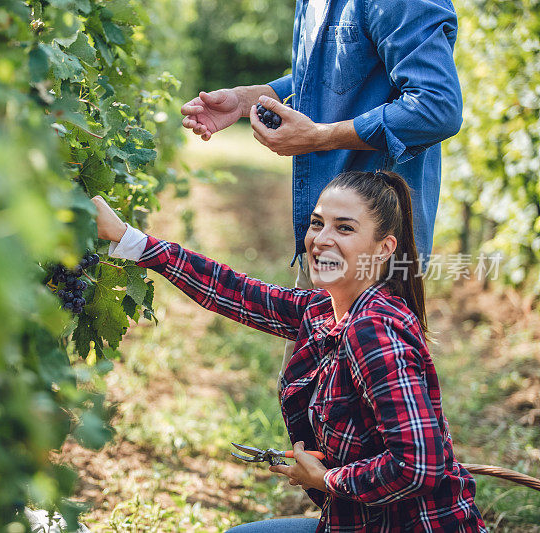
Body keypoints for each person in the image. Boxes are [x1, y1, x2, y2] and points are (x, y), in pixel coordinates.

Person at [90, 170, 487, 532]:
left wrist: (325, 479)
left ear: (383, 249)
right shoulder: (321, 310)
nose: (321, 239)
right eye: (317, 224)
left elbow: (420, 466)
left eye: (344, 228)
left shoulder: (374, 332)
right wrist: (129, 239)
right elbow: (232, 291)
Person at [180, 0, 464, 392]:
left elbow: (437, 107)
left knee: (361, 422)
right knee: (310, 404)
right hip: (328, 237)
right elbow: (331, 76)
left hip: (373, 253)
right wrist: (251, 99)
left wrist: (320, 137)